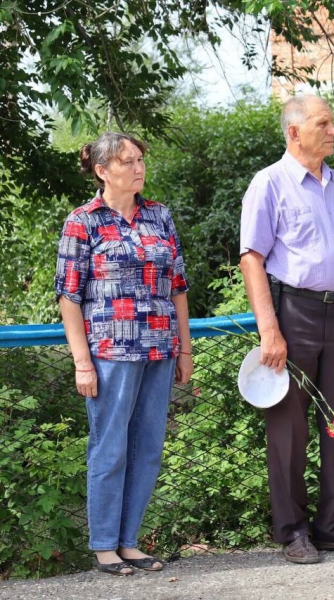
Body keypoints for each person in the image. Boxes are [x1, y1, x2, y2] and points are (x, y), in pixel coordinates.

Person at [239, 95, 334, 564]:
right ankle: (292, 530)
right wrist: (268, 329)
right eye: (324, 122)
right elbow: (252, 258)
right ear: (295, 131)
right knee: (288, 428)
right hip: (292, 312)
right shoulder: (269, 184)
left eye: (332, 122)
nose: (333, 130)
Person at [55, 132, 193, 575]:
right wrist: (81, 361)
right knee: (109, 448)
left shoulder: (160, 216)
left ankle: (129, 541)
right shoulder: (84, 221)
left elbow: (178, 286)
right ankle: (103, 546)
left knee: (148, 447)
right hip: (110, 352)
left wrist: (185, 350)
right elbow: (69, 297)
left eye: (140, 159)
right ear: (102, 170)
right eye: (128, 161)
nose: (139, 167)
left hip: (160, 349)